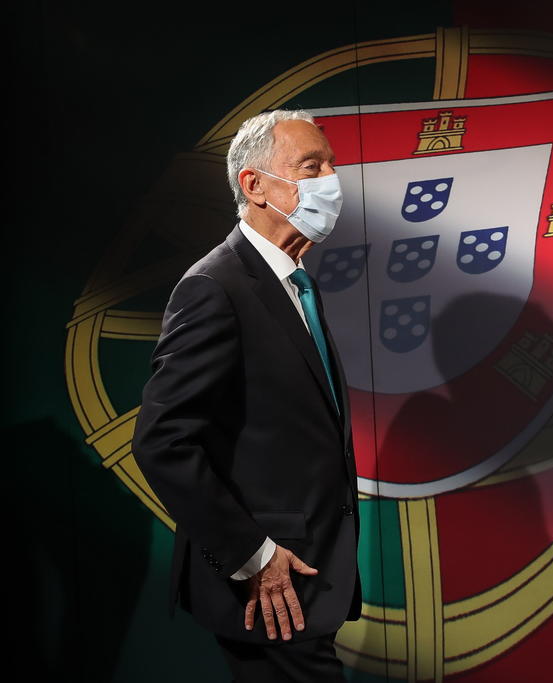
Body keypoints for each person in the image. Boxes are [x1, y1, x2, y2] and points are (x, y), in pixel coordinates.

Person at [133, 109, 361, 682]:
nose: (331, 180)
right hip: (269, 581)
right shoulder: (214, 286)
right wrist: (252, 555)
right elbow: (163, 441)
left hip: (309, 572)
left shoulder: (294, 282)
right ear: (254, 185)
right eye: (311, 166)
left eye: (331, 165)